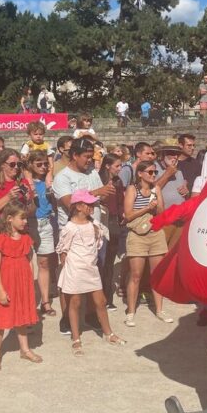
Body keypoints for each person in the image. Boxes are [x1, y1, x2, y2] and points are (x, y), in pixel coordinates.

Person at [52, 138, 114, 334]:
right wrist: (97, 192)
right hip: (73, 235)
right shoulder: (62, 178)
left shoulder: (92, 173)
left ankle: (90, 315)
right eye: (86, 157)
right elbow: (69, 203)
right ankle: (66, 319)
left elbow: (100, 197)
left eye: (91, 156)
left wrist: (104, 193)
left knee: (93, 275)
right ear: (74, 155)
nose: (90, 161)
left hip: (94, 232)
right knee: (69, 278)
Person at [57, 189, 126, 357]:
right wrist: (68, 269)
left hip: (91, 269)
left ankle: (108, 333)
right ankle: (76, 338)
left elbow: (97, 244)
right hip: (75, 270)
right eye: (89, 205)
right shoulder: (70, 228)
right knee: (75, 303)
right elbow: (63, 251)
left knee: (100, 301)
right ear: (79, 206)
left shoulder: (94, 225)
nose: (92, 207)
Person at [0, 149, 35, 341]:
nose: (16, 168)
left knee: (21, 277)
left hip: (19, 232)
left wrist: (29, 199)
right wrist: (8, 197)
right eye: (12, 164)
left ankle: (20, 318)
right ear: (2, 164)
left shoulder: (23, 182)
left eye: (19, 164)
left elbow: (30, 210)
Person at [0, 202, 42, 370]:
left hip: (22, 282)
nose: (25, 221)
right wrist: (1, 290)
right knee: (0, 319)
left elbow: (29, 262)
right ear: (10, 219)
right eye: (22, 218)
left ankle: (24, 349)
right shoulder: (0, 238)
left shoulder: (26, 238)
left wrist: (31, 284)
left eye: (26, 218)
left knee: (21, 316)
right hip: (6, 282)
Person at [124, 160, 172, 327]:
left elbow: (161, 213)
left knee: (156, 274)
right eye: (150, 172)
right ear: (140, 174)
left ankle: (160, 310)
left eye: (155, 172)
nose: (153, 175)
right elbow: (128, 215)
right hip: (137, 235)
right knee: (135, 275)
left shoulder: (156, 189)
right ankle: (130, 311)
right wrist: (146, 208)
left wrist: (157, 197)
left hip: (155, 233)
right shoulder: (132, 189)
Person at [26, 150, 57, 317]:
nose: (43, 167)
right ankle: (30, 302)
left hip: (46, 223)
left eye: (45, 164)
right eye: (39, 164)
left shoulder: (49, 181)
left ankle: (45, 301)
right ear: (30, 165)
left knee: (44, 264)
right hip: (29, 224)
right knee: (28, 266)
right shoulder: (25, 182)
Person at [98, 153, 125, 311]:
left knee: (109, 263)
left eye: (120, 165)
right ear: (107, 166)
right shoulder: (98, 180)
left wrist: (122, 215)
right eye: (117, 166)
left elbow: (120, 202)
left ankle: (107, 298)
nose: (120, 169)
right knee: (99, 262)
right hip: (101, 222)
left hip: (114, 222)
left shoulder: (118, 181)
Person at [154, 141, 188, 250]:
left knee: (173, 252)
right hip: (164, 220)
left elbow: (182, 193)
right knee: (160, 252)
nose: (174, 156)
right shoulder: (153, 169)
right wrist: (167, 174)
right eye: (170, 153)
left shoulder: (179, 172)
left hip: (179, 220)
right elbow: (152, 190)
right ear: (162, 155)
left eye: (176, 154)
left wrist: (186, 191)